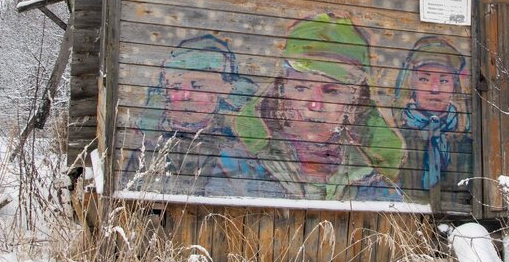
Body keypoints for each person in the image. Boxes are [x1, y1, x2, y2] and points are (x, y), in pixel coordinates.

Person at [210, 13, 404, 201]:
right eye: (301, 88)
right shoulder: (241, 164)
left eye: (332, 91)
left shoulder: (372, 180)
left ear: (354, 102)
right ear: (281, 93)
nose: (315, 104)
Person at [119, 34, 254, 193]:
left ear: (220, 93)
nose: (186, 96)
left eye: (198, 86)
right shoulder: (146, 153)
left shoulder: (232, 154)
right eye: (176, 87)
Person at [394, 35, 469, 193]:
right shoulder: (395, 139)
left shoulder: (466, 143)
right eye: (424, 79)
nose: (434, 89)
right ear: (411, 83)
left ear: (454, 86)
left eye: (443, 81)